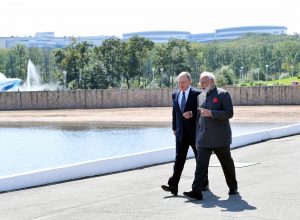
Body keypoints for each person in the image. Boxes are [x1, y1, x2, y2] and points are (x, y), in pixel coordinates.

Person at [183, 71, 238, 200]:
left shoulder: (223, 94)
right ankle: (196, 191)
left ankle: (233, 187)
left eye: (204, 82)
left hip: (220, 138)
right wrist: (192, 114)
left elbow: (229, 113)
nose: (201, 85)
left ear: (212, 82)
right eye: (200, 82)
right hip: (203, 138)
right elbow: (199, 116)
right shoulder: (200, 97)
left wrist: (212, 113)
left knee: (226, 164)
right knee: (200, 165)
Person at [161, 71, 208, 196]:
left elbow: (203, 111)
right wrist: (174, 127)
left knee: (200, 158)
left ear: (189, 82)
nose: (180, 85)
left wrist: (192, 113)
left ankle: (204, 182)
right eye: (179, 82)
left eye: (183, 82)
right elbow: (174, 112)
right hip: (180, 134)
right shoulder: (175, 94)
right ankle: (173, 186)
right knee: (179, 160)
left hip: (195, 132)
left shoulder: (198, 94)